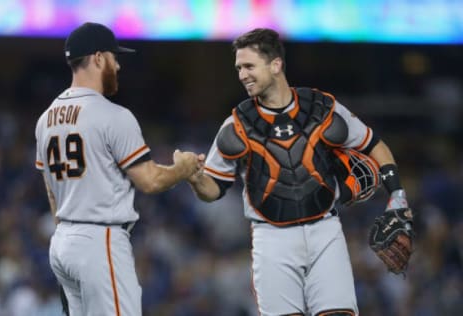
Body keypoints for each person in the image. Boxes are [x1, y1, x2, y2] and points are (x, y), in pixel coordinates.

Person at [187, 28, 413, 316]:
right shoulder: (237, 124)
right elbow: (213, 189)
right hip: (272, 239)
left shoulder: (321, 107)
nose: (242, 74)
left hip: (325, 230)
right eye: (238, 68)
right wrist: (195, 178)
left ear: (276, 65)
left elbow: (373, 144)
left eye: (249, 66)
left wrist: (397, 195)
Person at [34, 22, 203, 316]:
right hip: (99, 241)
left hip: (62, 242)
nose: (119, 65)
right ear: (98, 58)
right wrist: (184, 168)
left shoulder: (46, 118)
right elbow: (149, 181)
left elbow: (51, 191)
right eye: (114, 57)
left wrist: (71, 239)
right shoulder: (112, 115)